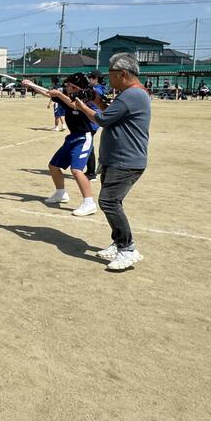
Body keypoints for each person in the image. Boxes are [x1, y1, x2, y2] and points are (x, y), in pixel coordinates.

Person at [73, 53, 151, 271]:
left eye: (111, 74)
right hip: (117, 159)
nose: (109, 79)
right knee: (113, 202)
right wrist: (97, 102)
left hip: (125, 160)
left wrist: (82, 107)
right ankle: (119, 243)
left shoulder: (132, 95)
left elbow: (102, 119)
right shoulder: (130, 94)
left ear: (122, 74)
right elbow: (111, 115)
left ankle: (128, 249)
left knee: (109, 202)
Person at [22, 73, 98, 217]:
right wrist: (31, 85)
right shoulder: (65, 96)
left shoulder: (85, 98)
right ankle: (60, 193)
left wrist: (59, 94)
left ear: (75, 87)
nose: (65, 86)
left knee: (76, 170)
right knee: (53, 166)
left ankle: (89, 203)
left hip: (83, 137)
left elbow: (74, 104)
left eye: (68, 85)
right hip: (72, 137)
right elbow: (48, 93)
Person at [84, 69, 107, 181]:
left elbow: (93, 94)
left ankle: (91, 172)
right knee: (87, 143)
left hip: (93, 120)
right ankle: (90, 170)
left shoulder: (98, 89)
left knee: (88, 144)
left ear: (96, 79)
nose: (89, 80)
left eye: (90, 78)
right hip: (89, 119)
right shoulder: (93, 88)